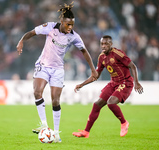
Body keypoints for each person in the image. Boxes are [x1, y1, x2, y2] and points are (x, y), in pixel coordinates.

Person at [16, 2, 97, 143]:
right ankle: (44, 125)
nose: (70, 27)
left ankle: (56, 132)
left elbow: (84, 51)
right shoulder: (50, 27)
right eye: (67, 24)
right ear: (61, 22)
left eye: (72, 25)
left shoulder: (74, 36)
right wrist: (21, 40)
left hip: (58, 69)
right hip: (43, 65)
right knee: (37, 92)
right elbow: (32, 32)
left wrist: (93, 69)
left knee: (55, 100)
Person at [72, 35, 143, 138]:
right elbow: (95, 76)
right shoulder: (101, 57)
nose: (103, 46)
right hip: (113, 83)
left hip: (125, 82)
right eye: (102, 44)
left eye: (106, 44)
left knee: (111, 103)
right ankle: (86, 132)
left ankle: (124, 123)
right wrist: (82, 84)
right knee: (97, 104)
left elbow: (133, 66)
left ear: (111, 44)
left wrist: (136, 82)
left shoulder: (118, 54)